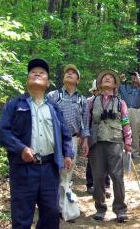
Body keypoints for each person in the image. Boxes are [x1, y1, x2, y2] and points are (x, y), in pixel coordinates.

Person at [0, 58, 73, 229]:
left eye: (42, 72)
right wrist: (21, 148)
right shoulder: (15, 105)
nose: (37, 73)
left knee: (51, 214)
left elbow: (65, 134)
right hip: (22, 169)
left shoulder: (54, 108)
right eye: (33, 72)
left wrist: (68, 154)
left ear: (47, 83)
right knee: (22, 217)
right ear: (27, 81)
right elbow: (3, 133)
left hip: (49, 168)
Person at [88, 70, 132, 223]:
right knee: (98, 176)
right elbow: (87, 123)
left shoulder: (121, 103)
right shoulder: (92, 102)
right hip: (96, 143)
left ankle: (120, 209)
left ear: (115, 85)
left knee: (117, 177)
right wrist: (84, 142)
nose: (107, 78)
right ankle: (100, 208)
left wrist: (128, 142)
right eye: (104, 78)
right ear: (99, 84)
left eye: (111, 78)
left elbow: (125, 122)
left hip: (115, 142)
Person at [47, 64, 90, 215]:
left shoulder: (82, 100)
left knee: (66, 173)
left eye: (73, 73)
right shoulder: (53, 95)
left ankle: (64, 209)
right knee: (51, 172)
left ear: (78, 80)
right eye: (67, 72)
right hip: (52, 139)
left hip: (71, 141)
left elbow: (85, 122)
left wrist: (85, 141)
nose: (69, 74)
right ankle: (51, 206)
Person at [85, 79, 111, 197]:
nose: (99, 92)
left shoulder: (110, 101)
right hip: (92, 133)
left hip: (107, 133)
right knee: (92, 161)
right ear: (94, 91)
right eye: (97, 90)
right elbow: (86, 120)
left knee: (106, 160)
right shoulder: (89, 102)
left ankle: (106, 185)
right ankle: (90, 184)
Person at [118, 71, 140, 159]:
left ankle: (135, 153)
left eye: (136, 77)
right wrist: (120, 79)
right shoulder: (125, 87)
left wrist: (138, 78)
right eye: (133, 77)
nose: (134, 78)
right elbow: (116, 87)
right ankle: (124, 152)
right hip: (125, 111)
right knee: (123, 131)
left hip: (135, 112)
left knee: (135, 133)